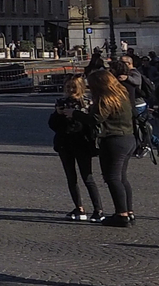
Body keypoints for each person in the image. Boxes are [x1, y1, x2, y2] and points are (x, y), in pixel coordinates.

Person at [48, 78, 105, 222]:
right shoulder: (61, 102)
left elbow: (91, 123)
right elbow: (53, 125)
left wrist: (75, 115)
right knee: (71, 177)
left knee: (87, 177)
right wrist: (57, 114)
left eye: (73, 87)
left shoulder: (87, 102)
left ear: (80, 88)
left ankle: (98, 209)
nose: (70, 90)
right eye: (67, 87)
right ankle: (79, 207)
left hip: (82, 143)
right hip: (64, 144)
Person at [89, 65, 137, 226]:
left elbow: (96, 119)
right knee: (122, 177)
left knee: (113, 178)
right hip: (128, 137)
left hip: (114, 139)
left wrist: (75, 114)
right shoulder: (121, 94)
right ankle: (128, 212)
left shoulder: (106, 98)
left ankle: (121, 215)